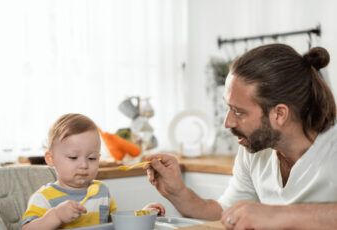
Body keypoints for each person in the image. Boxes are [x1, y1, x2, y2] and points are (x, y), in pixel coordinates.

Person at [146, 44, 337, 229]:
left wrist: (276, 214)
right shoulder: (254, 149)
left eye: (238, 112)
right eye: (228, 108)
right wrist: (178, 193)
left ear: (279, 114)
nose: (227, 123)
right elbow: (225, 213)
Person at [22, 113, 165, 229]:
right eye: (73, 157)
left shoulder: (101, 191)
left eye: (92, 158)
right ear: (50, 158)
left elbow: (117, 224)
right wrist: (56, 216)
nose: (84, 165)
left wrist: (143, 214)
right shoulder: (44, 197)